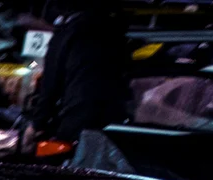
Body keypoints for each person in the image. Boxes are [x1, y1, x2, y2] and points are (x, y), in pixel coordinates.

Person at [26, 0, 134, 142]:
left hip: (78, 121)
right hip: (116, 121)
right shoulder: (116, 33)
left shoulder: (68, 33)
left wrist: (35, 125)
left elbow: (50, 85)